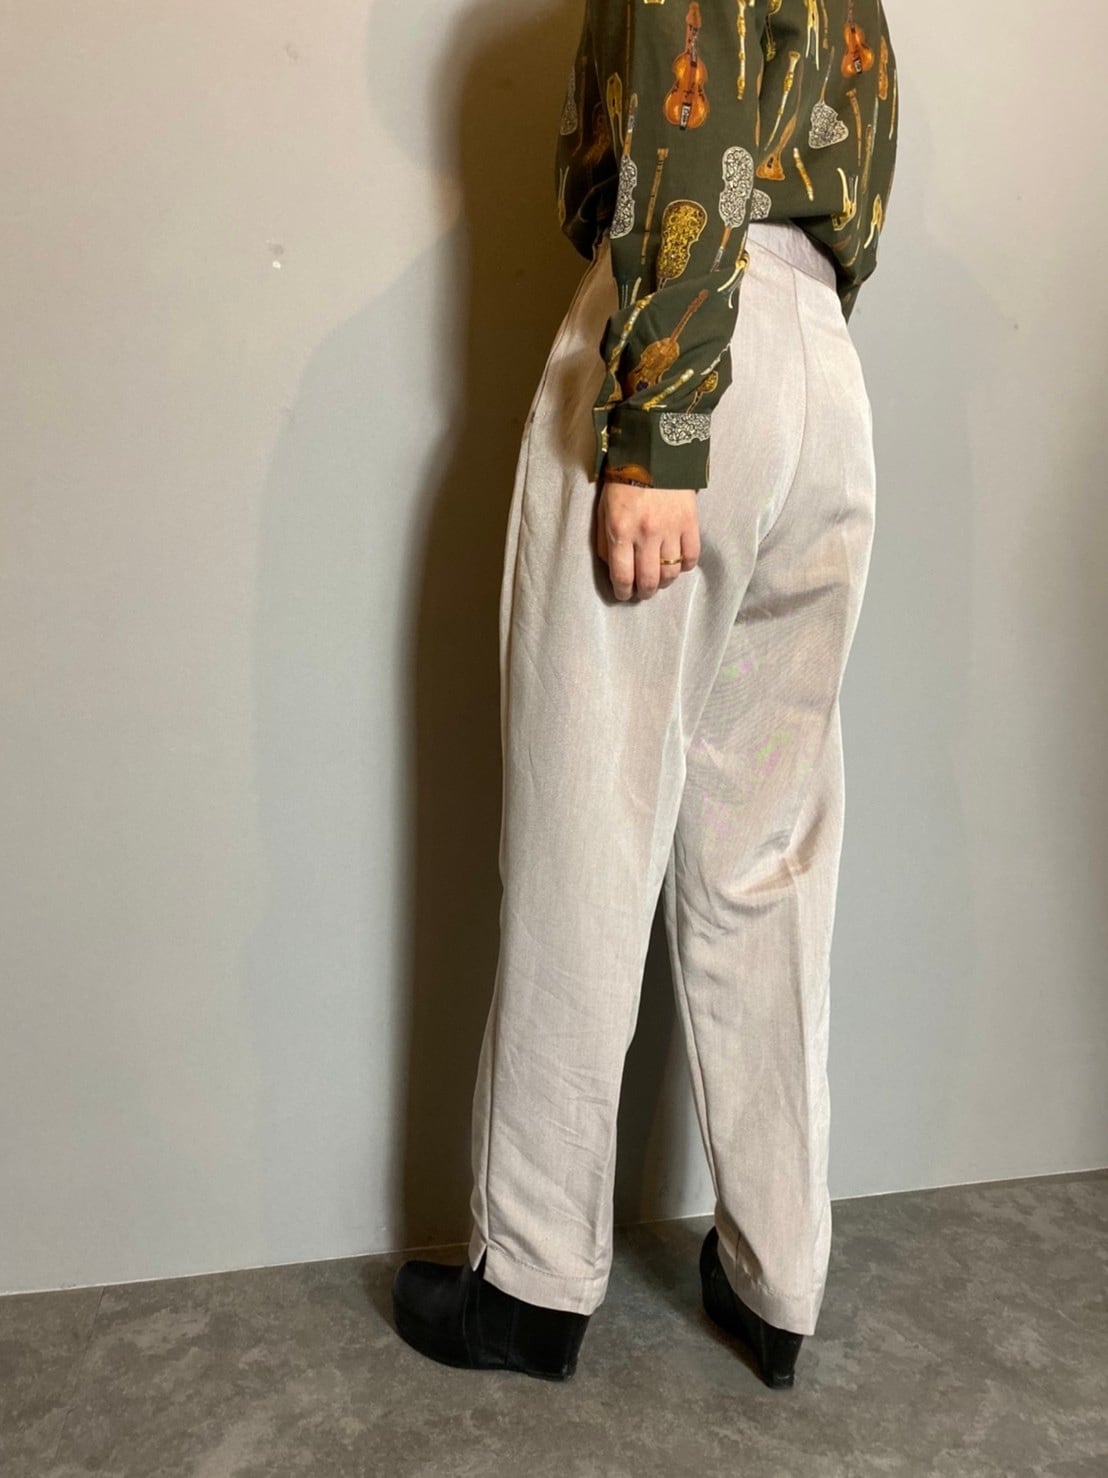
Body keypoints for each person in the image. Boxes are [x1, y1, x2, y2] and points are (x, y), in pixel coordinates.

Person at [393, 0, 898, 1390]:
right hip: (823, 375)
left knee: (587, 827)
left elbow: (691, 90)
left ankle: (532, 1280)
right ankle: (778, 1277)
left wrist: (661, 424)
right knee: (768, 857)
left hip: (687, 338)